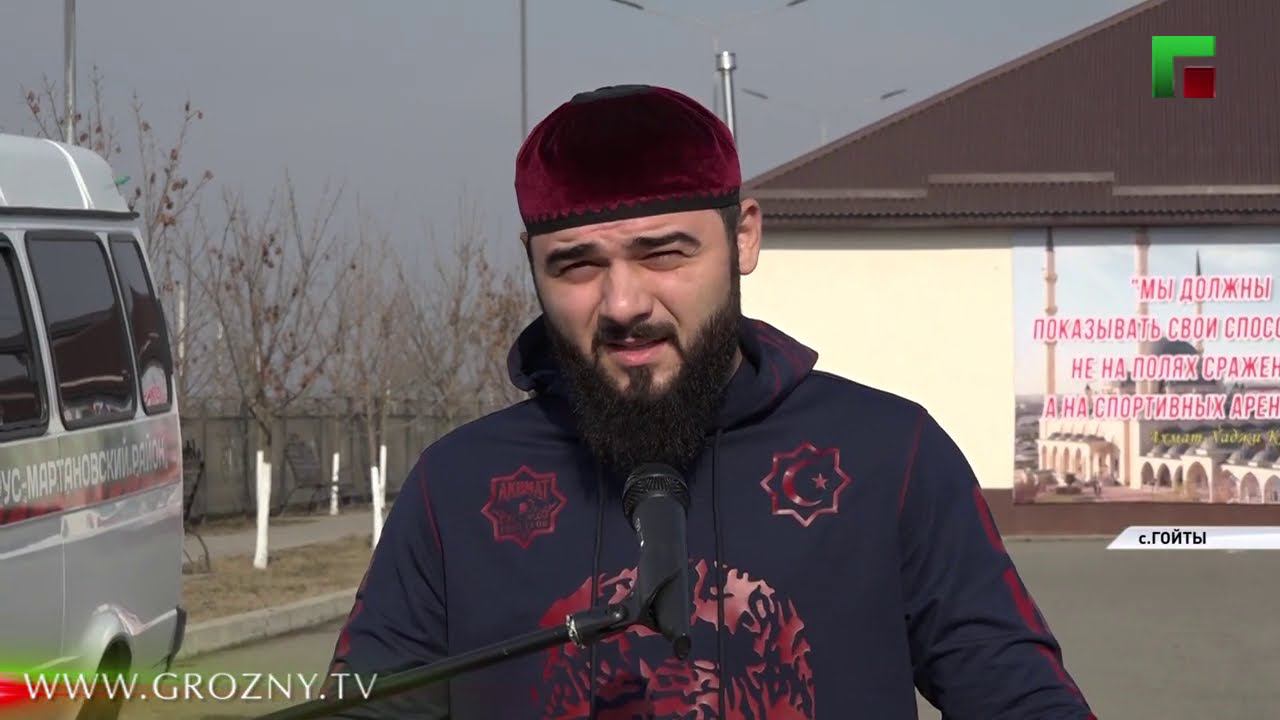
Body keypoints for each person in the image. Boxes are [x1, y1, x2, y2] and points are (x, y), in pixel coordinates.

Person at [323, 84, 1094, 719]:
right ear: (532, 265)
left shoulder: (888, 455)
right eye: (577, 266)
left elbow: (1018, 696)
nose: (623, 303)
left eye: (664, 253)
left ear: (744, 238)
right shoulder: (457, 487)